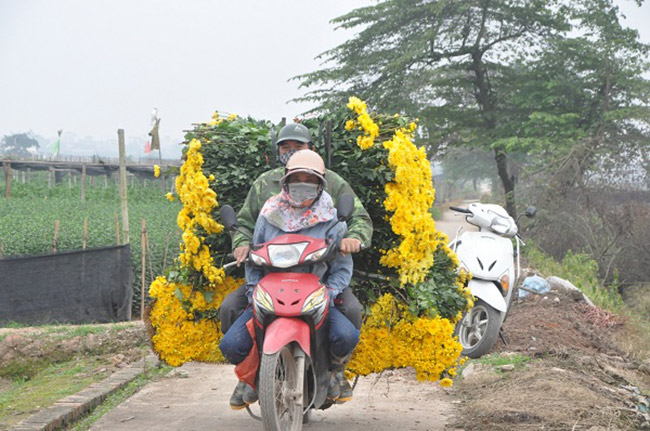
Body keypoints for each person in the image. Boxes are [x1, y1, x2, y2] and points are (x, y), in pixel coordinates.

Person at [219, 150, 360, 409]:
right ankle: (250, 377)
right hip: (271, 289)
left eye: (310, 182)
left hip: (315, 292)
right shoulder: (269, 212)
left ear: (320, 185)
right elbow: (254, 254)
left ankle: (334, 371)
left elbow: (342, 266)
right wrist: (253, 289)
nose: (302, 188)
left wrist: (329, 291)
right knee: (231, 344)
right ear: (285, 184)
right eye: (297, 182)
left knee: (346, 335)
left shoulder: (332, 217)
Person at [220, 123, 371, 332]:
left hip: (319, 272)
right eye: (285, 147)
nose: (291, 152)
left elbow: (358, 217)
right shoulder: (265, 184)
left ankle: (336, 364)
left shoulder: (332, 182)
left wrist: (352, 239)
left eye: (298, 146)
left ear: (311, 149)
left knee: (351, 313)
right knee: (229, 309)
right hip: (272, 273)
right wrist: (242, 244)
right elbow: (246, 223)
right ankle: (253, 360)